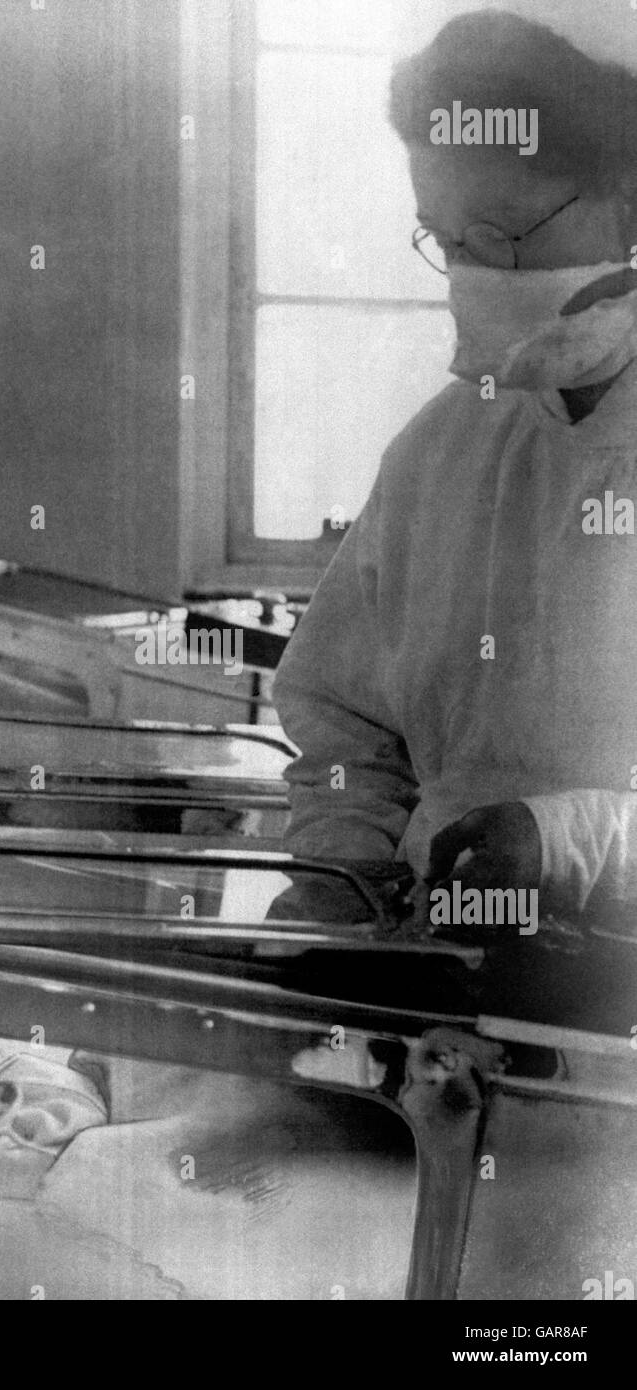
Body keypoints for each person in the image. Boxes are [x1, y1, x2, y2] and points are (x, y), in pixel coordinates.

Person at [273, 10, 637, 921]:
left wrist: (565, 843)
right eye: (447, 242)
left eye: (502, 235)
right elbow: (344, 722)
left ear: (627, 205)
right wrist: (342, 876)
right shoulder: (442, 453)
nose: (471, 279)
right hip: (437, 986)